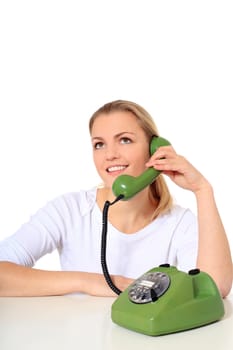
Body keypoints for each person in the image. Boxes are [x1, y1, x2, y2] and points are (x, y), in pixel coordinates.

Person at [0, 100, 232, 298]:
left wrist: (203, 190)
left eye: (124, 140)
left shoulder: (180, 223)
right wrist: (90, 282)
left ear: (154, 149)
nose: (110, 155)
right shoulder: (69, 210)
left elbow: (214, 289)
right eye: (99, 144)